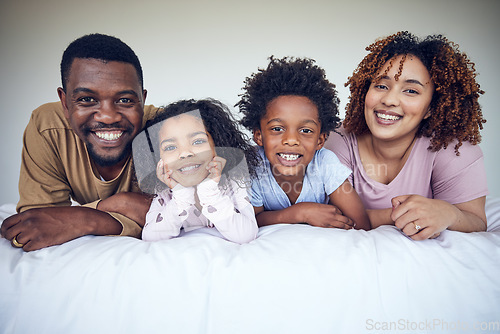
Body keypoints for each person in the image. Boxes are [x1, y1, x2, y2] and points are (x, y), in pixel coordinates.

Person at [324, 31, 488, 240]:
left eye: (411, 91)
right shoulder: (338, 140)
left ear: (431, 107)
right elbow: (334, 217)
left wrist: (449, 214)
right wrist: (401, 216)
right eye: (381, 86)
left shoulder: (453, 149)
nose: (390, 100)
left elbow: (476, 220)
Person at [1, 33, 158, 251]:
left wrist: (84, 218)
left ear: (142, 100)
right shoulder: (47, 126)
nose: (108, 116)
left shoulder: (168, 128)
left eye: (125, 100)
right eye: (87, 99)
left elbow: (185, 215)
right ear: (65, 103)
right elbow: (39, 223)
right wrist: (119, 207)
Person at [236, 56, 371, 230]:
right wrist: (301, 213)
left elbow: (361, 223)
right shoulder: (253, 166)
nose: (291, 140)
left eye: (306, 131)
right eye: (277, 129)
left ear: (320, 140)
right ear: (258, 135)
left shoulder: (325, 164)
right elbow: (250, 221)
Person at [136, 99, 259, 244]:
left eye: (198, 141)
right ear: (158, 159)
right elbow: (151, 237)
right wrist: (181, 196)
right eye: (170, 147)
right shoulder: (165, 192)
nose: (185, 153)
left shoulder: (234, 182)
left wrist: (210, 193)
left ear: (218, 145)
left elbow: (246, 235)